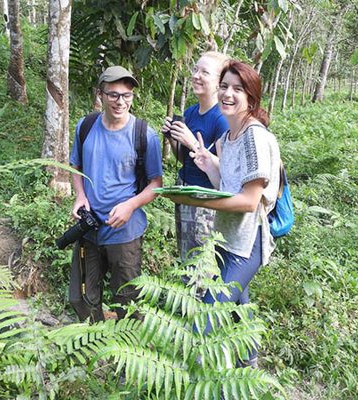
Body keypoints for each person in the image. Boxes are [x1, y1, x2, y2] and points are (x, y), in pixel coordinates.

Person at [161, 60, 281, 368]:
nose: (228, 94)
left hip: (246, 245)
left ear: (251, 99)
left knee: (205, 317)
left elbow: (248, 201)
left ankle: (204, 380)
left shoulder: (253, 137)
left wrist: (199, 201)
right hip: (226, 239)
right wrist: (207, 160)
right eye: (225, 86)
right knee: (240, 305)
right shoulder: (229, 136)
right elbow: (227, 184)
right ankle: (249, 367)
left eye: (237, 89)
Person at [69, 66, 163, 322]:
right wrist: (80, 196)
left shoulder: (145, 134)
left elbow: (156, 183)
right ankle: (92, 343)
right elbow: (75, 166)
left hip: (125, 231)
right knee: (83, 296)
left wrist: (130, 206)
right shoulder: (86, 126)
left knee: (128, 297)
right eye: (113, 95)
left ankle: (128, 351)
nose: (121, 102)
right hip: (89, 227)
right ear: (100, 95)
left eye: (127, 95)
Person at [161, 51, 229, 261]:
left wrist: (191, 141)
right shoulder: (190, 112)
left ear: (219, 83)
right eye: (195, 69)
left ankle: (199, 295)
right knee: (185, 255)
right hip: (185, 191)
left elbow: (225, 172)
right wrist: (173, 138)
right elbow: (185, 159)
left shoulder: (222, 119)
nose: (196, 75)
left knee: (200, 260)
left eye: (205, 72)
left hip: (206, 199)